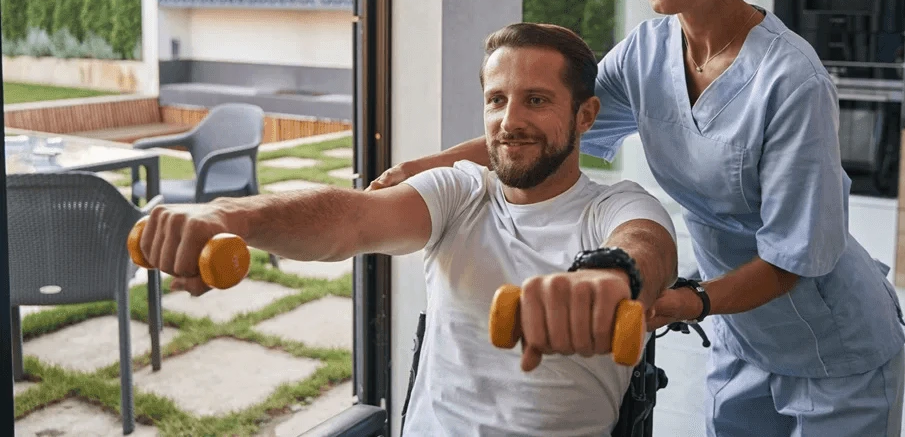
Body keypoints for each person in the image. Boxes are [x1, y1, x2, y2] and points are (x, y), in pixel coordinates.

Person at [370, 0, 905, 436]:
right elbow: (548, 128)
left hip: (832, 341)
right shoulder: (647, 53)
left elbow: (795, 258)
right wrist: (428, 165)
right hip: (741, 333)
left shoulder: (790, 80)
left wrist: (689, 301)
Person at [137, 22, 679, 437]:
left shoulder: (617, 205)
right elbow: (348, 219)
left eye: (536, 100)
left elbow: (646, 249)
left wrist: (610, 277)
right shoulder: (462, 190)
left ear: (586, 116)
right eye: (496, 100)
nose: (510, 121)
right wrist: (232, 216)